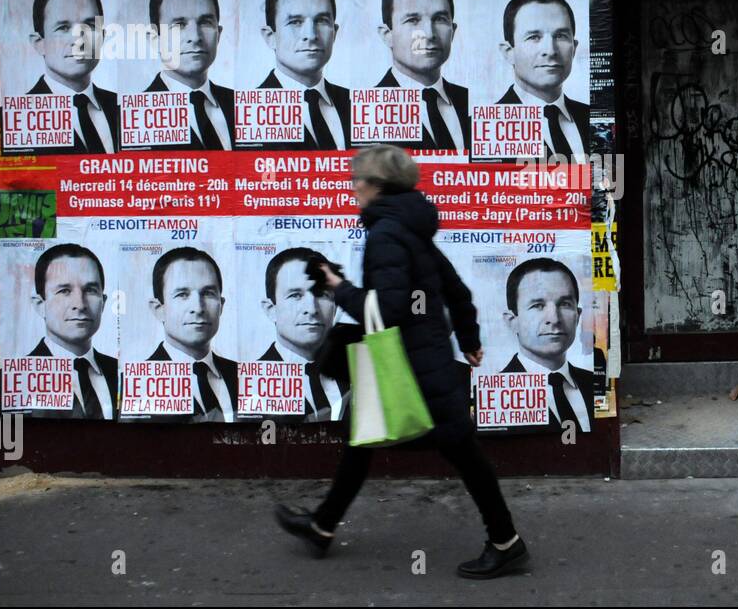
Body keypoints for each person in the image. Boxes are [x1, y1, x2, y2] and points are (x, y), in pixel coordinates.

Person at [275, 145, 527, 578]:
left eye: (358, 180)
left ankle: (506, 542)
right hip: (425, 359)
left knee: (463, 453)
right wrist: (468, 338)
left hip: (414, 366)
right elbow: (456, 291)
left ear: (377, 186)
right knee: (364, 438)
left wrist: (337, 286)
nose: (353, 188)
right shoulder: (411, 229)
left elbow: (385, 310)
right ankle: (322, 525)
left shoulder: (387, 234)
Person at [374, 0, 470, 151]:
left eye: (440, 19)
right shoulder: (367, 110)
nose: (429, 33)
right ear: (387, 35)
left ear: (453, 31)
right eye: (413, 20)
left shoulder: (472, 101)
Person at [258, 246, 355, 421]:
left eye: (322, 294)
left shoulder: (357, 369)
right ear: (271, 309)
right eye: (295, 295)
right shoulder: (249, 382)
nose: (311, 309)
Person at [258, 0, 351, 150]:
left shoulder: (357, 105)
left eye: (322, 21)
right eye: (295, 22)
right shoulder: (246, 111)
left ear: (334, 33)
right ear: (270, 36)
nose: (311, 34)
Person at [26, 0, 119, 154]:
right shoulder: (16, 118)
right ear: (39, 43)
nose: (79, 40)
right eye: (63, 27)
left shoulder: (122, 106)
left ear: (102, 37)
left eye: (90, 26)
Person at [501, 258, 593, 433]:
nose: (555, 319)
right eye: (538, 305)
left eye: (565, 304)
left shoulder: (592, 382)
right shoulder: (496, 393)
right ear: (513, 321)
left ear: (578, 316)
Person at [27, 243, 118, 420]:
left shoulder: (120, 371)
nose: (80, 304)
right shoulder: (17, 378)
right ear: (40, 305)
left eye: (90, 290)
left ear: (103, 302)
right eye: (64, 291)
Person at [147, 247, 238, 422]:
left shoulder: (244, 376)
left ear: (222, 305)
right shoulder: (137, 384)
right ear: (159, 309)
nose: (198, 308)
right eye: (182, 294)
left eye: (208, 293)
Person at [496, 0, 590, 160]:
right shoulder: (479, 127)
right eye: (534, 37)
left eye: (561, 36)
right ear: (509, 52)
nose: (550, 50)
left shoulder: (590, 117)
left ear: (574, 48)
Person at [145, 0, 235, 150]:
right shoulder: (132, 115)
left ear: (219, 34)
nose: (195, 37)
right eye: (179, 25)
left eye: (205, 22)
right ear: (155, 39)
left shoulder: (241, 105)